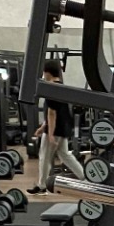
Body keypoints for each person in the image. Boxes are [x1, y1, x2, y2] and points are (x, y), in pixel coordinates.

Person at [29, 59, 84, 193]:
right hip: (63, 128)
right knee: (65, 155)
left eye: (44, 73)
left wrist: (50, 134)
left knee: (44, 157)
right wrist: (43, 127)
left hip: (55, 130)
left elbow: (52, 113)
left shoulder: (51, 89)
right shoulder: (61, 87)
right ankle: (85, 177)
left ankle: (42, 186)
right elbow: (55, 111)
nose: (43, 75)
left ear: (48, 73)